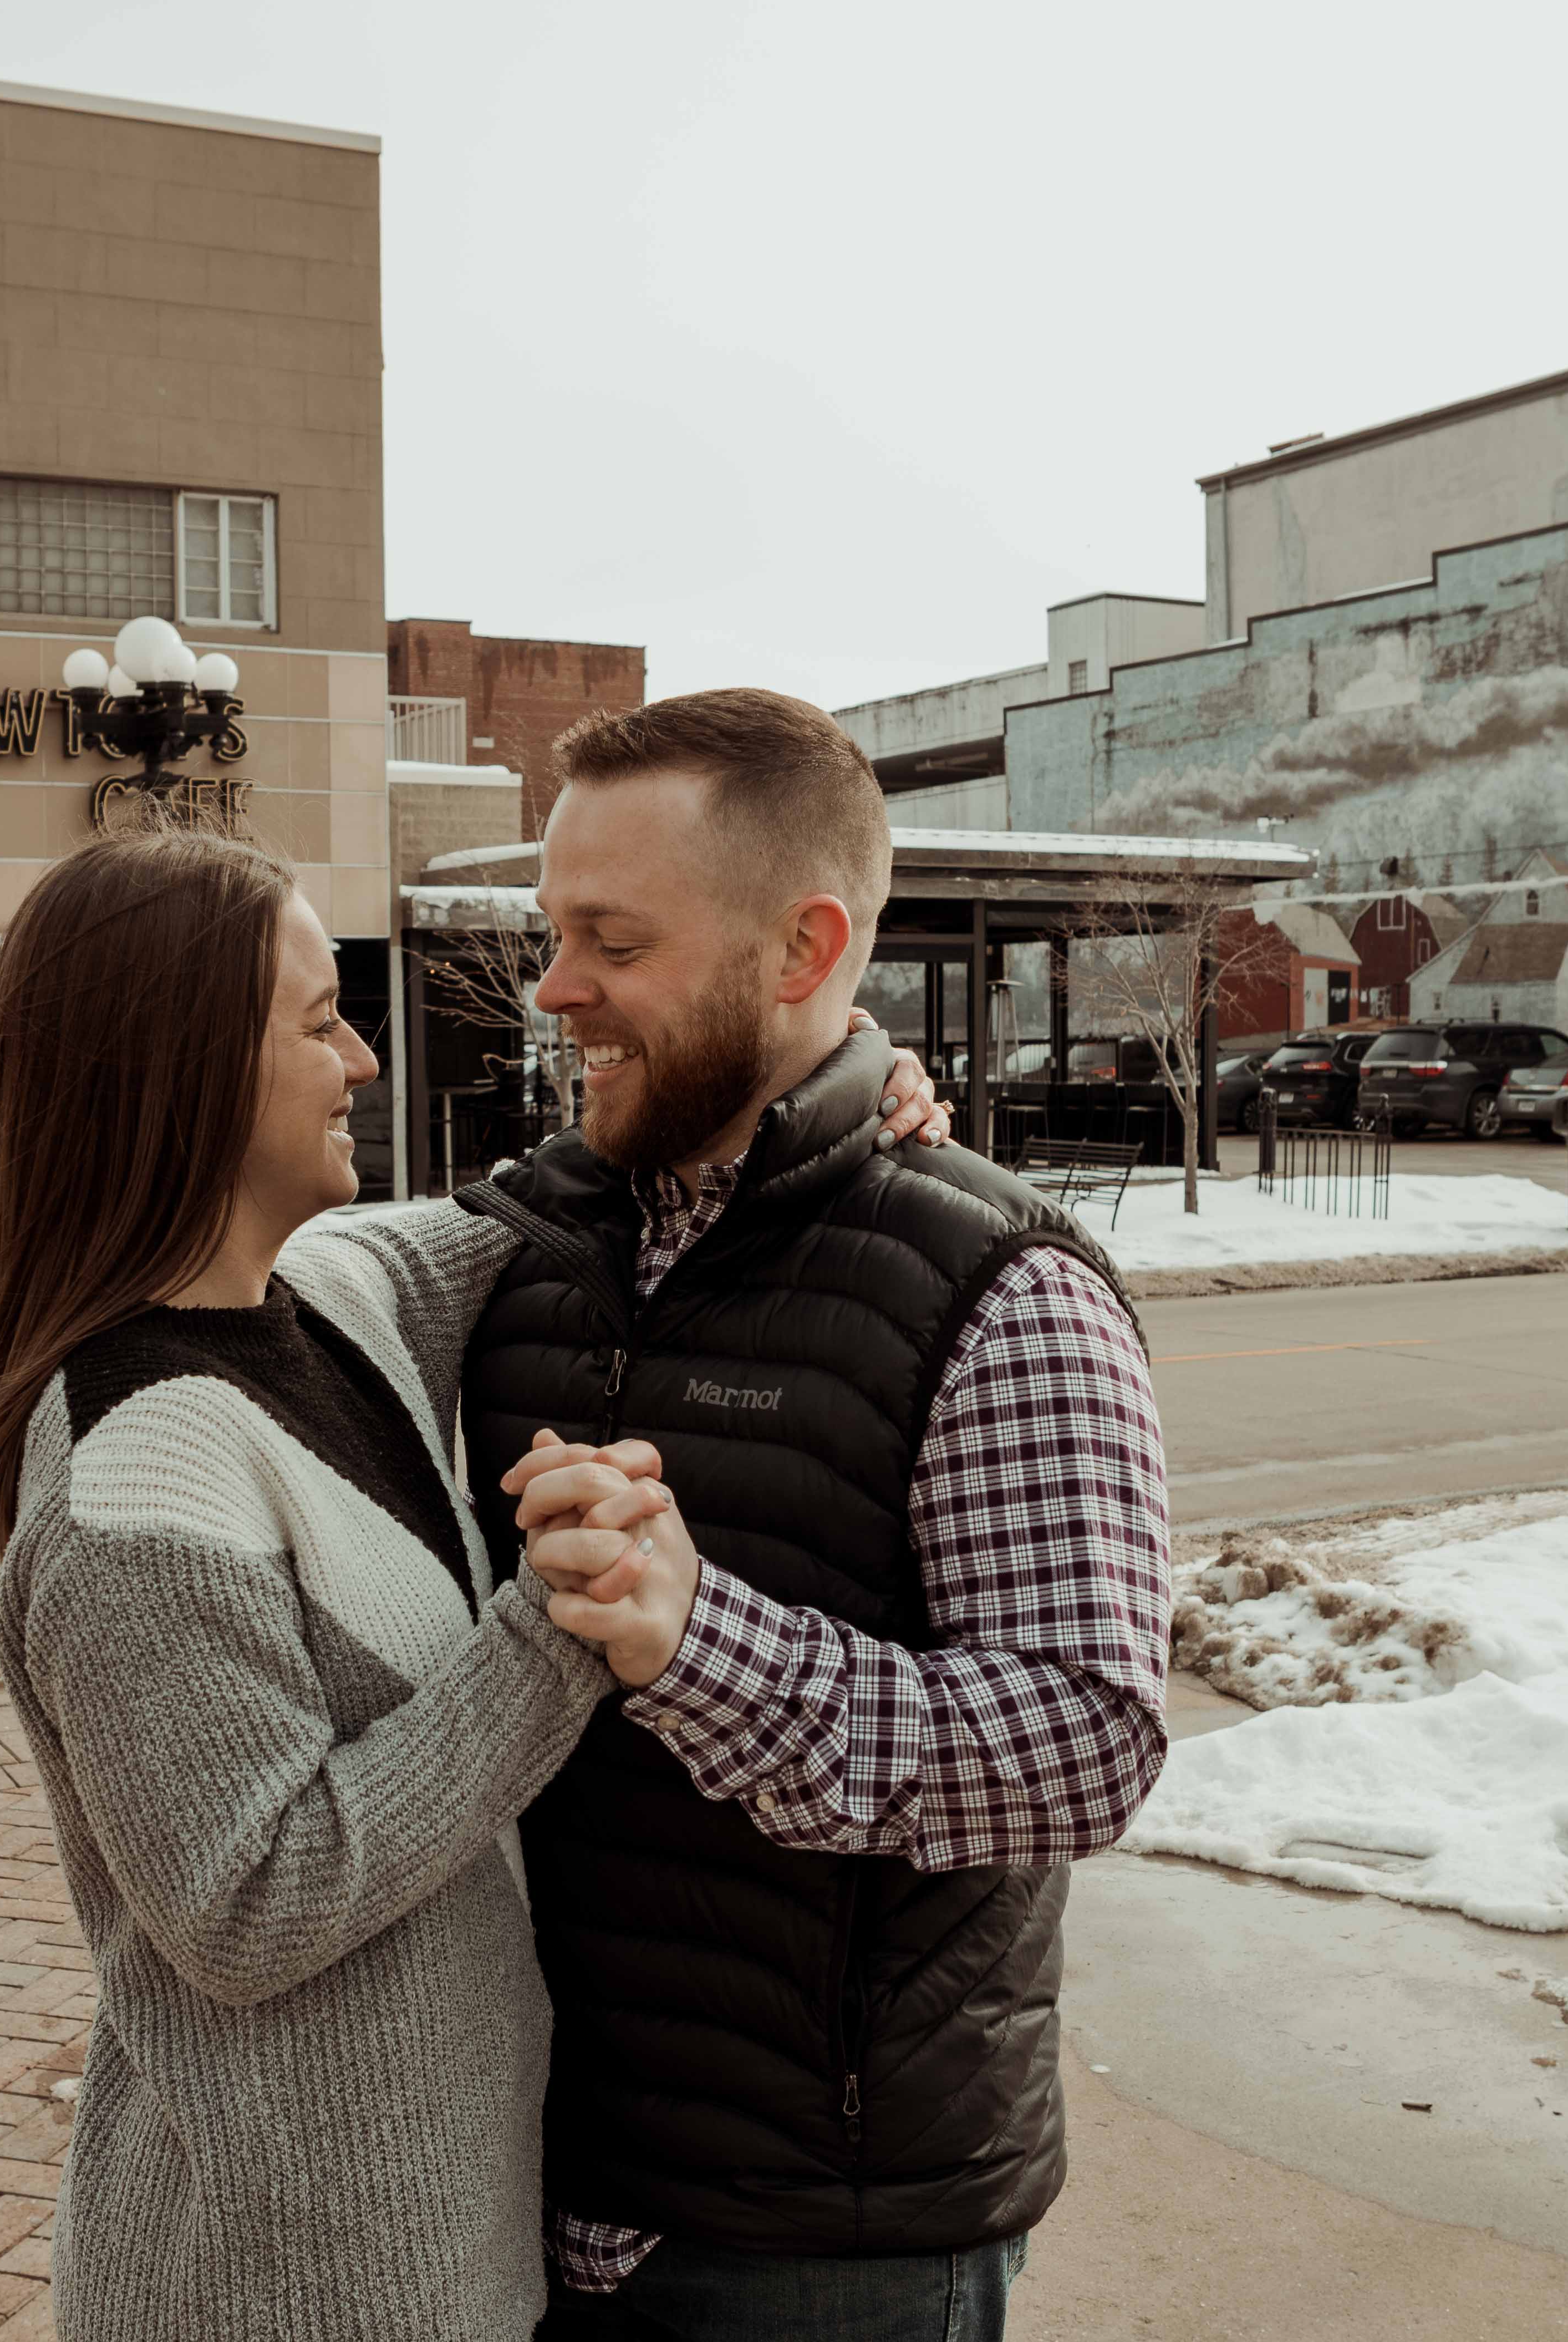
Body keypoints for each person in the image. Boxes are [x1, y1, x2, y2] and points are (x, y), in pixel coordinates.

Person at [0, 826, 951, 2342]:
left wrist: (826, 1081)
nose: (361, 1059)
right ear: (186, 1073)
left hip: (439, 2248)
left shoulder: (344, 1300)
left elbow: (550, 1202)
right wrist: (560, 1622)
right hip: (281, 2290)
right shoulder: (135, 1476)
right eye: (317, 1022)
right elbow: (249, 1904)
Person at [462, 689, 1175, 2341]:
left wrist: (701, 1640)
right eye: (551, 932)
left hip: (821, 2245)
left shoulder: (1000, 1288)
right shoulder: (525, 1242)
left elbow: (1086, 1744)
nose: (553, 986)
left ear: (801, 952)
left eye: (609, 941)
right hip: (526, 2180)